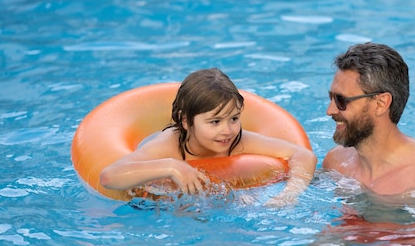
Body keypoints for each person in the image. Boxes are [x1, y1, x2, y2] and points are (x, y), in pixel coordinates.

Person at [100, 68, 317, 205]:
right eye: (215, 122)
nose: (227, 130)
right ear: (185, 121)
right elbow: (109, 177)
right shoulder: (169, 146)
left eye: (233, 118)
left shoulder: (239, 141)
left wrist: (290, 194)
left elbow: (302, 155)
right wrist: (171, 167)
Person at [322, 42, 415, 195]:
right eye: (331, 97)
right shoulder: (336, 163)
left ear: (381, 103)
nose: (330, 110)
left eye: (341, 100)